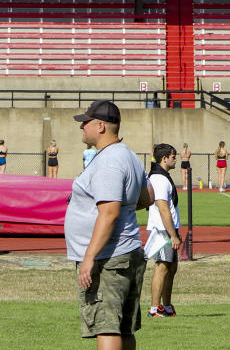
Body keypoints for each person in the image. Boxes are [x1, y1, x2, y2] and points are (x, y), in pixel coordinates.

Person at [65, 100, 153, 349]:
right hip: (126, 251)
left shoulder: (109, 162)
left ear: (100, 126)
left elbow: (109, 213)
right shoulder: (128, 155)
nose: (82, 126)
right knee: (123, 328)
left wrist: (89, 257)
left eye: (86, 122)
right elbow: (147, 196)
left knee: (106, 327)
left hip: (109, 258)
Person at [146, 143, 181, 318]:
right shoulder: (159, 179)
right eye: (173, 156)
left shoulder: (163, 176)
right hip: (162, 230)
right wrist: (172, 235)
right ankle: (154, 308)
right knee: (162, 266)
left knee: (171, 267)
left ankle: (166, 306)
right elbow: (163, 208)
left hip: (169, 228)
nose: (176, 159)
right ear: (164, 158)